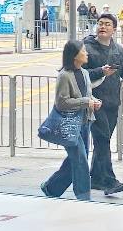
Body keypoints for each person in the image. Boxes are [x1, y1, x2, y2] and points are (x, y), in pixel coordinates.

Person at [83, 14, 123, 195]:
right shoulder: (86, 48)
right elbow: (79, 73)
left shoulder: (118, 50)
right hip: (94, 103)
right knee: (102, 139)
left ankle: (95, 179)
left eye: (107, 24)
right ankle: (110, 181)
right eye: (100, 23)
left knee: (103, 141)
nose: (102, 26)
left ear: (114, 29)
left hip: (112, 102)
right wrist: (100, 71)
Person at [41, 40, 102, 201]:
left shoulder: (85, 73)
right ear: (75, 55)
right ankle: (84, 197)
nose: (86, 53)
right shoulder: (64, 76)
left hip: (85, 123)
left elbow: (87, 95)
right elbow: (62, 102)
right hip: (70, 124)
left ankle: (51, 188)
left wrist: (94, 102)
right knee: (81, 160)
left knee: (76, 159)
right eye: (83, 50)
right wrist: (86, 102)